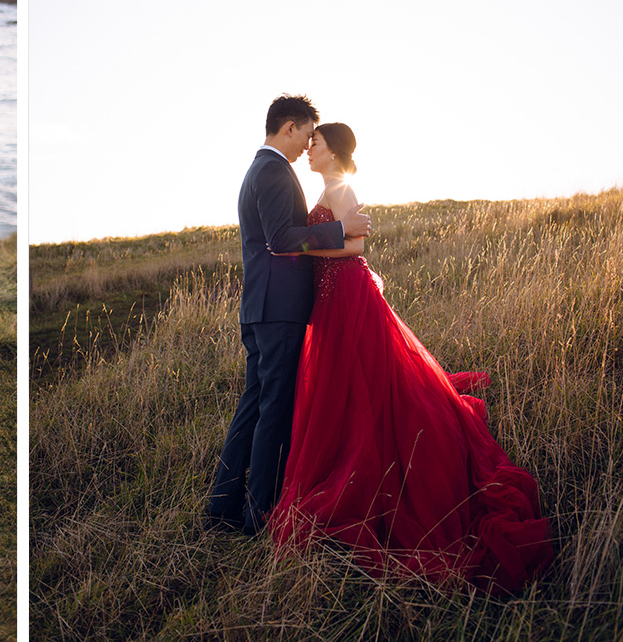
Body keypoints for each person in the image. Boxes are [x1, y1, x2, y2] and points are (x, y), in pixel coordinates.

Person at [264, 123, 553, 593]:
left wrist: (309, 241)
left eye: (315, 143)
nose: (309, 149)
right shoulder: (326, 191)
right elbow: (339, 239)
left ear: (332, 151)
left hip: (349, 297)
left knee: (367, 385)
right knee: (346, 387)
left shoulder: (341, 189)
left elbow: (356, 247)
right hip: (331, 300)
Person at [206, 94, 372, 535]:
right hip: (278, 311)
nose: (305, 148)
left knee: (253, 407)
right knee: (274, 410)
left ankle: (222, 504)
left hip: (260, 308)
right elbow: (281, 239)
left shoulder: (258, 169)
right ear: (290, 128)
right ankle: (258, 515)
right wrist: (340, 230)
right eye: (305, 136)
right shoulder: (275, 171)